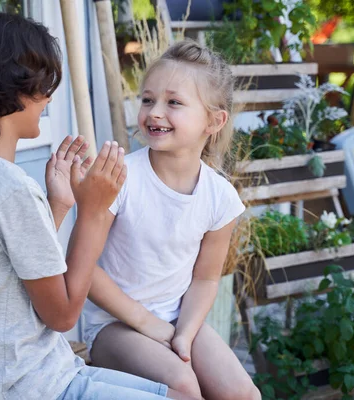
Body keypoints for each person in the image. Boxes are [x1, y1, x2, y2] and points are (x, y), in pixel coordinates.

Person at [0, 9, 196, 400]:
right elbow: (64, 314)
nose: (48, 96)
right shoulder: (10, 188)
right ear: (5, 88)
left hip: (23, 376)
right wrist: (91, 212)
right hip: (30, 388)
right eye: (38, 84)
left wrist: (56, 205)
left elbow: (15, 271)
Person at [83, 39, 261, 400]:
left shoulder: (220, 197)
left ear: (214, 120)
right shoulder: (120, 179)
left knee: (243, 394)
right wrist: (149, 324)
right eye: (148, 100)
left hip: (176, 319)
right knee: (181, 387)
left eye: (174, 102)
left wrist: (184, 333)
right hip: (112, 326)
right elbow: (85, 269)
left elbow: (206, 279)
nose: (155, 112)